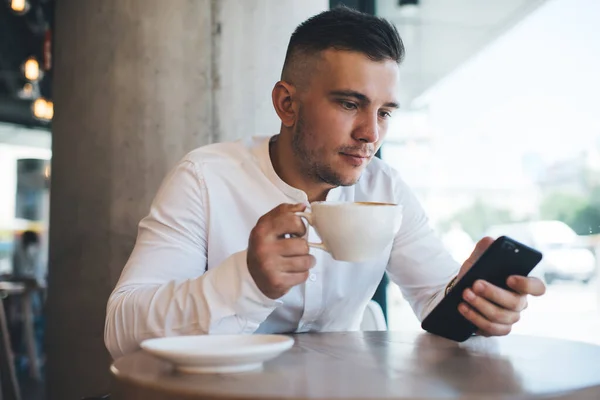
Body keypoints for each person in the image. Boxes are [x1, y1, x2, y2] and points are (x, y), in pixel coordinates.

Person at [104, 7, 546, 359]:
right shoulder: (205, 178)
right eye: (351, 104)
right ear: (286, 103)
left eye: (385, 112)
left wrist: (479, 306)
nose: (371, 133)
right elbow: (121, 330)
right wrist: (247, 280)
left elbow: (435, 299)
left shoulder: (385, 190)